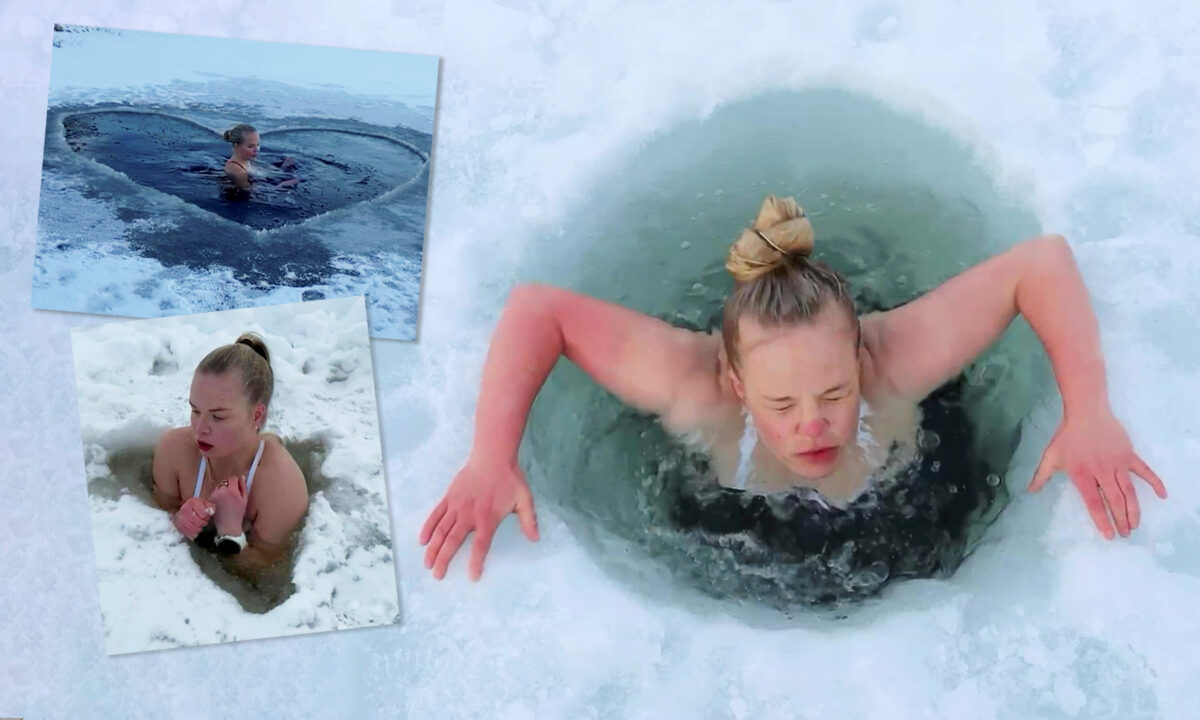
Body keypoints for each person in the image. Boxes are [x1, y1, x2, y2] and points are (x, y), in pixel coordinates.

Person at [420, 195, 1168, 582]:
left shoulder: (895, 356)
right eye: (780, 404)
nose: (814, 424)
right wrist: (492, 454)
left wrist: (1089, 411)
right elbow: (535, 311)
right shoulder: (693, 382)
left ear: (861, 351)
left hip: (910, 495)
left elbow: (1041, 263)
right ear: (736, 381)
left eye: (834, 393)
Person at [152, 332, 308, 583]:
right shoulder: (174, 451)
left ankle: (270, 441)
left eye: (218, 416)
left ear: (257, 416)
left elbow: (269, 575)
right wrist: (177, 519)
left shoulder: (281, 486)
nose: (199, 428)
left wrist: (231, 533)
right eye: (195, 410)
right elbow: (151, 518)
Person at [222, 124, 299, 193]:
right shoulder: (237, 170)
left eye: (257, 145)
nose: (257, 150)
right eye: (250, 146)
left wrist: (283, 168)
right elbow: (251, 191)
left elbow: (264, 174)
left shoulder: (246, 160)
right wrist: (281, 185)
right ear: (236, 145)